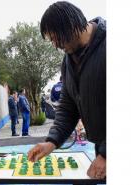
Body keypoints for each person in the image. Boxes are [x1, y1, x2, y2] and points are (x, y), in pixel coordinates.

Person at [28, 1, 106, 180]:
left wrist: (107, 154)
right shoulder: (68, 62)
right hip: (101, 148)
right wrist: (51, 142)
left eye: (57, 38)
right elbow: (67, 107)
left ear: (71, 26)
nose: (55, 45)